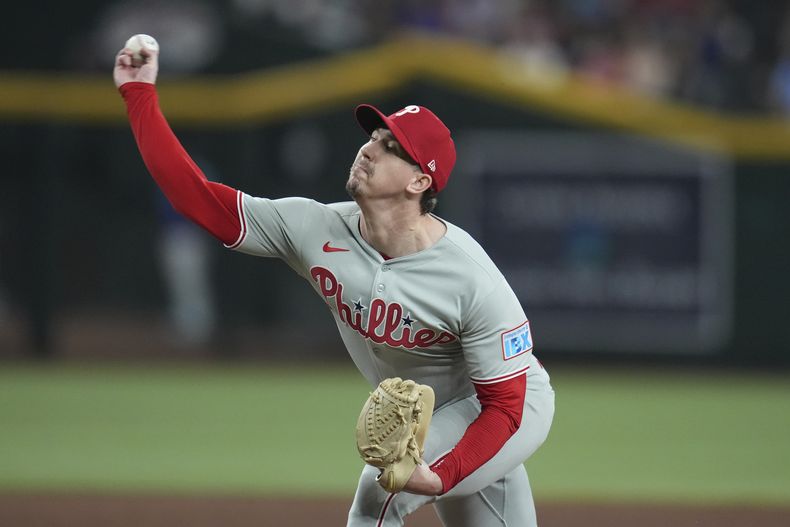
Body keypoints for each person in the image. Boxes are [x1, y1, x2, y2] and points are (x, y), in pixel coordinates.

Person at [114, 41, 555, 527]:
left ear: (418, 182)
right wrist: (139, 94)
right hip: (438, 423)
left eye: (391, 149)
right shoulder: (315, 229)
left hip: (501, 412)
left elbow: (504, 409)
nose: (369, 148)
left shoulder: (471, 279)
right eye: (374, 137)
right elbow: (196, 198)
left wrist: (442, 476)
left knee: (378, 493)